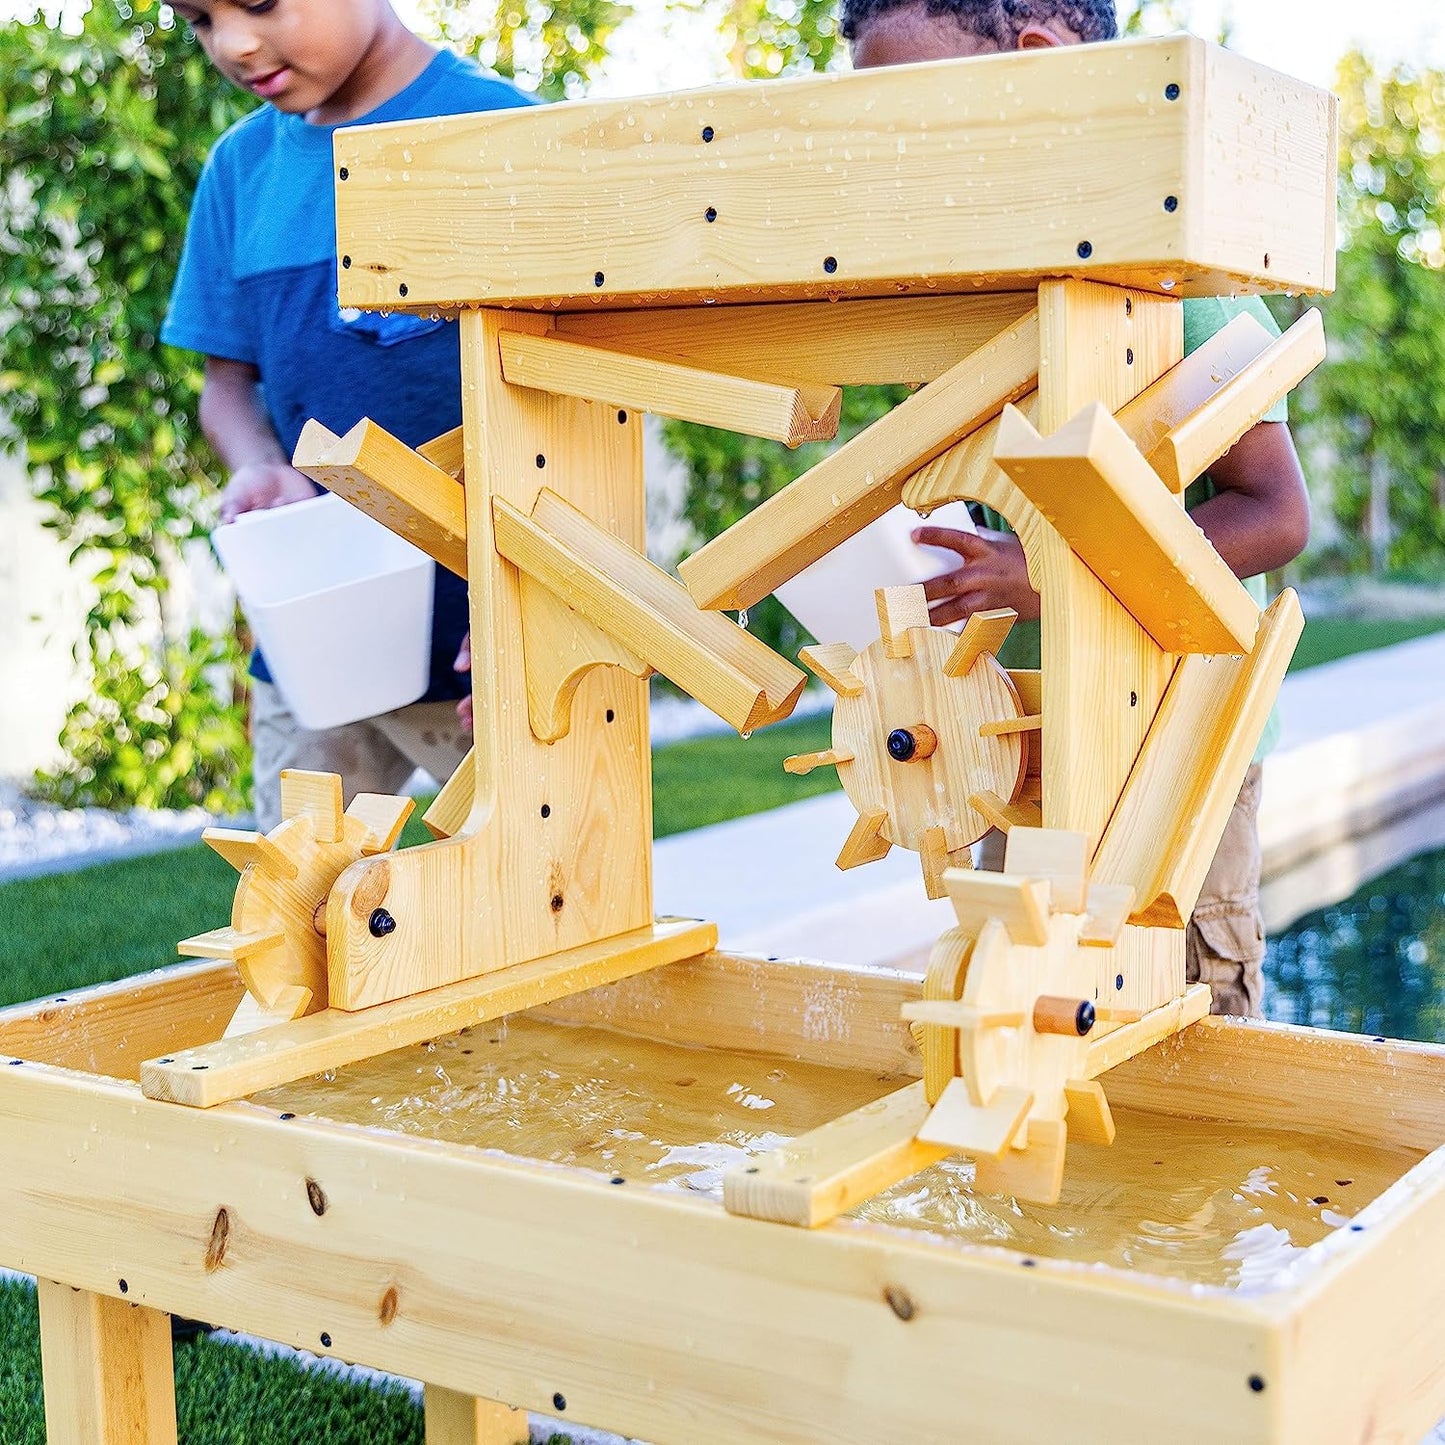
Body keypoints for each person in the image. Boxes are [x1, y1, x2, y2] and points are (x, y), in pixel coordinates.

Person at [842, 0, 1313, 1018]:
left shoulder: (1182, 277)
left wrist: (1047, 574)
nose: (890, 150)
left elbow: (1273, 514)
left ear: (1038, 64)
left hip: (1180, 751)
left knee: (1181, 1023)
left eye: (909, 109)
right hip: (1037, 734)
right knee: (1021, 1005)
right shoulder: (1007, 292)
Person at [162, 0, 533, 831]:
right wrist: (258, 460)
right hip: (317, 636)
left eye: (257, 4)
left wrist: (529, 602)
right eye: (198, 19)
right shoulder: (240, 171)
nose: (234, 43)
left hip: (490, 640)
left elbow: (583, 392)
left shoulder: (504, 135)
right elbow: (227, 385)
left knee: (548, 905)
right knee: (297, 910)